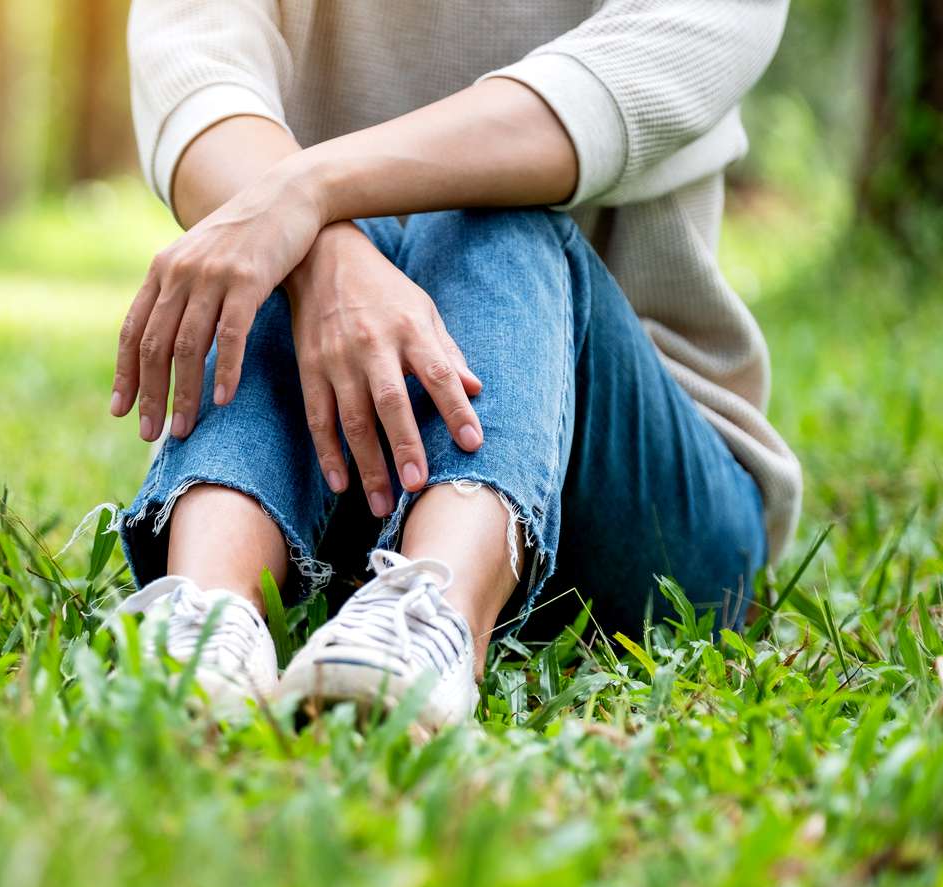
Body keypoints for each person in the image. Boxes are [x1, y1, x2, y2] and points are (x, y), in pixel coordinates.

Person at [110, 0, 802, 734]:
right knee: (284, 254)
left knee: (487, 201)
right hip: (345, 476)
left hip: (652, 509)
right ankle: (205, 616)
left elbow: (583, 106)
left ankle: (434, 613)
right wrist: (323, 255)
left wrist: (302, 192)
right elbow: (196, 76)